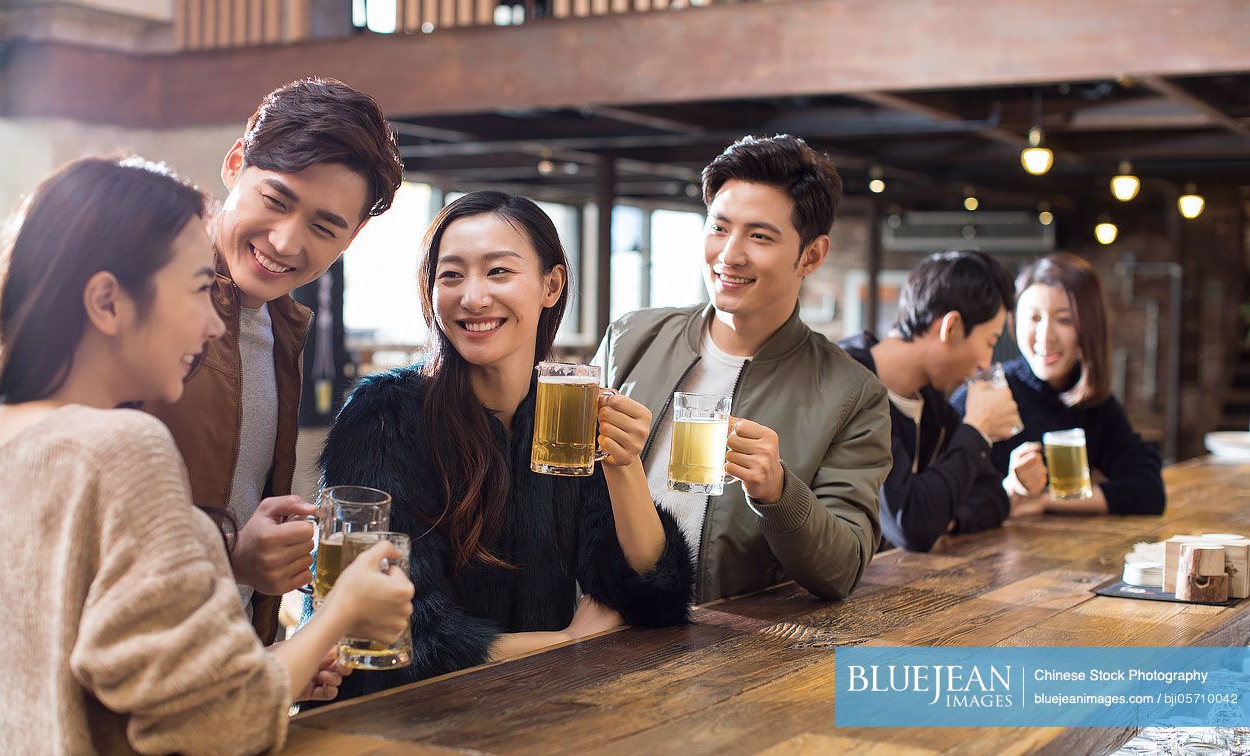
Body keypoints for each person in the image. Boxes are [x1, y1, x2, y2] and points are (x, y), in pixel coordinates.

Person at [0, 157, 413, 756]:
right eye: (196, 289)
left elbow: (119, 680)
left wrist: (276, 651)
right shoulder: (122, 447)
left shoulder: (15, 432)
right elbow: (222, 721)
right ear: (107, 301)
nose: (215, 322)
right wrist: (339, 614)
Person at [320, 191, 693, 698]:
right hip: (392, 726)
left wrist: (622, 465)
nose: (472, 297)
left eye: (498, 272)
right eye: (450, 275)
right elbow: (386, 638)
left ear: (551, 285)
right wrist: (564, 641)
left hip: (534, 715)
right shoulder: (384, 414)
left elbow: (653, 600)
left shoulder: (567, 415)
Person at [143, 78, 405, 645]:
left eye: (322, 226)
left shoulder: (279, 326)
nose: (286, 243)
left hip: (225, 686)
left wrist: (279, 659)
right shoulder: (142, 303)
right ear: (236, 165)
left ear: (352, 237)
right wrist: (232, 560)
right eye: (276, 200)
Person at [594, 135, 891, 603]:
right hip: (595, 623)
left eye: (759, 236)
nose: (729, 255)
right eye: (719, 228)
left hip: (726, 648)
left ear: (811, 255)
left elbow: (842, 570)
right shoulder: (632, 337)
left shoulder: (852, 394)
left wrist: (779, 492)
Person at [951, 252, 1166, 516]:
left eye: (1064, 320)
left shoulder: (1093, 402)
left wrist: (1045, 500)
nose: (1045, 336)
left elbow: (1149, 492)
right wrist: (1013, 489)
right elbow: (947, 508)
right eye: (1034, 318)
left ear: (1089, 328)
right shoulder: (984, 396)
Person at [839, 250, 1019, 552]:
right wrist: (978, 429)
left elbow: (993, 499)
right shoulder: (848, 384)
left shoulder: (930, 402)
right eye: (989, 343)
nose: (985, 364)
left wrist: (941, 515)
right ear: (951, 328)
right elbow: (911, 525)